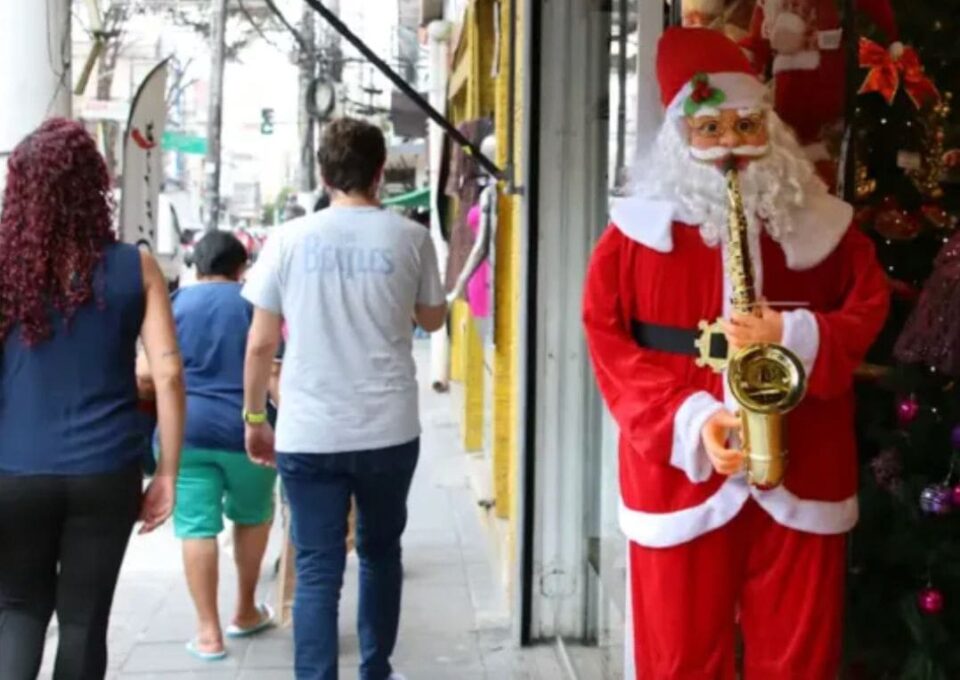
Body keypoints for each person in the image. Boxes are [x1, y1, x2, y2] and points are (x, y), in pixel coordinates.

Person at [582, 28, 890, 679]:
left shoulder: (822, 225)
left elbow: (866, 308)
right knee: (678, 655)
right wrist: (688, 420)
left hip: (803, 461)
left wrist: (794, 338)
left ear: (769, 128)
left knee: (799, 656)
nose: (729, 145)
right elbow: (609, 341)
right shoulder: (631, 237)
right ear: (677, 137)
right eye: (709, 128)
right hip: (681, 471)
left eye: (745, 125)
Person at [241, 117, 447, 680]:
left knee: (316, 569)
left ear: (323, 174)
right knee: (381, 555)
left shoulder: (287, 240)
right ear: (381, 172)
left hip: (308, 430)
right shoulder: (410, 236)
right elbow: (434, 316)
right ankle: (375, 669)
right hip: (388, 428)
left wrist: (256, 416)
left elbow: (261, 343)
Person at [0, 118, 185, 679]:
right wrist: (168, 473)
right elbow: (170, 374)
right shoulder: (136, 266)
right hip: (106, 470)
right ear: (94, 190)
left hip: (14, 470)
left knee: (17, 610)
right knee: (83, 620)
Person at [138, 231, 277, 660]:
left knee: (197, 527)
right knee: (252, 516)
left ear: (196, 266)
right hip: (248, 432)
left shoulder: (175, 303)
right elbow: (273, 370)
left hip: (187, 433)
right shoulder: (257, 303)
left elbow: (146, 375)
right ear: (242, 266)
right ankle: (245, 611)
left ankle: (208, 633)